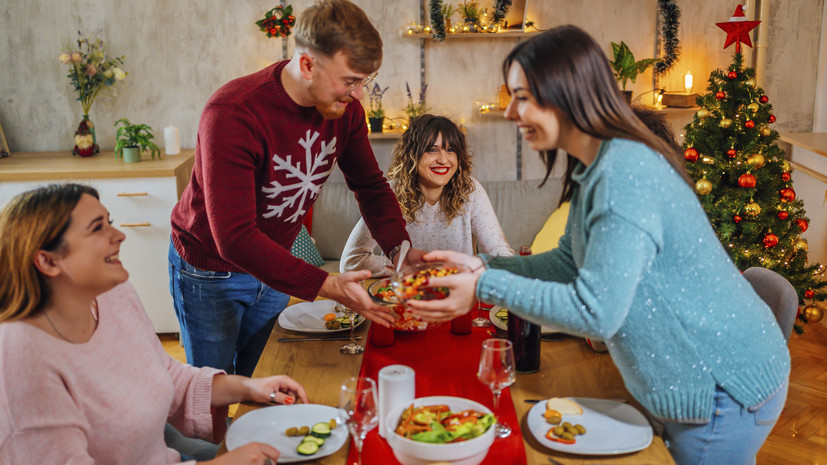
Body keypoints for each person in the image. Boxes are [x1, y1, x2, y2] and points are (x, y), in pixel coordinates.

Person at [406, 25, 790, 465]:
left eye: (521, 96)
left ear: (565, 93)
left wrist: (483, 287)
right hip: (687, 382)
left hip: (721, 389)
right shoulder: (598, 165)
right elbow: (570, 261)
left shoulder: (622, 174)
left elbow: (597, 311)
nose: (511, 111)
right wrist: (481, 265)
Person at [168, 0, 420, 377]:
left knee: (263, 376)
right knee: (212, 389)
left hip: (274, 264)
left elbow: (369, 185)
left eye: (364, 81)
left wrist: (401, 247)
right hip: (211, 272)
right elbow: (234, 238)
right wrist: (325, 284)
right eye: (350, 81)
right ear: (307, 65)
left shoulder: (346, 111)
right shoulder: (233, 113)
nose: (360, 95)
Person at [0, 184, 308, 464]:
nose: (118, 235)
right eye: (97, 229)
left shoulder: (111, 294)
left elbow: (163, 371)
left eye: (110, 221)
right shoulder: (21, 359)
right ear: (48, 261)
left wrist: (248, 387)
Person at [340, 114, 513, 276]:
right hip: (403, 295)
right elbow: (351, 261)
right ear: (412, 155)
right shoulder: (387, 195)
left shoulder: (471, 191)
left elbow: (502, 255)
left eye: (450, 150)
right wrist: (403, 270)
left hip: (457, 293)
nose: (443, 160)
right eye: (432, 150)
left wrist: (465, 270)